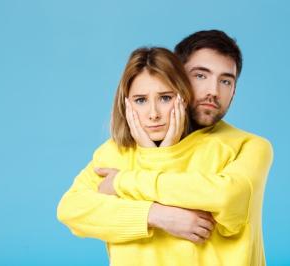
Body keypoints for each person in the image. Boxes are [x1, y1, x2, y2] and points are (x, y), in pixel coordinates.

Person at [94, 30, 274, 266]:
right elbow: (74, 209)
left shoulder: (250, 146)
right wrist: (156, 215)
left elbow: (227, 197)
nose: (213, 91)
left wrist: (122, 182)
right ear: (177, 78)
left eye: (226, 81)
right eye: (201, 76)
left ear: (234, 90)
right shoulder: (117, 151)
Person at [57, 47, 219, 265]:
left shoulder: (213, 149)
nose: (153, 114)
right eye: (141, 100)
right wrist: (155, 215)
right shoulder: (113, 153)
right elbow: (71, 210)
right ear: (126, 104)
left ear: (184, 97)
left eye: (165, 98)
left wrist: (127, 179)